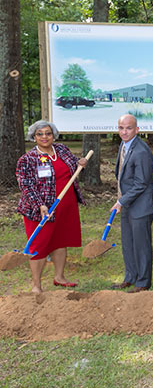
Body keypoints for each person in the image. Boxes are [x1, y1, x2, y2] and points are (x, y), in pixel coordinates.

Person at [16, 120, 87, 293]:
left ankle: (59, 277)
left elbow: (72, 168)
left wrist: (81, 164)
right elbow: (26, 185)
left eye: (48, 133)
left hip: (66, 205)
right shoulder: (27, 159)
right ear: (34, 137)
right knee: (39, 245)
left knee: (61, 241)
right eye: (40, 134)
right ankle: (36, 286)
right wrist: (40, 205)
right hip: (41, 209)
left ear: (53, 135)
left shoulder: (62, 150)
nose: (44, 137)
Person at [111, 114, 153, 293]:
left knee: (141, 244)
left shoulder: (141, 151)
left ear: (136, 129)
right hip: (127, 202)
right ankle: (130, 277)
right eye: (121, 128)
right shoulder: (124, 145)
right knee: (128, 242)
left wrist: (121, 200)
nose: (124, 131)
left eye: (128, 128)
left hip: (141, 204)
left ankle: (143, 282)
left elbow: (141, 183)